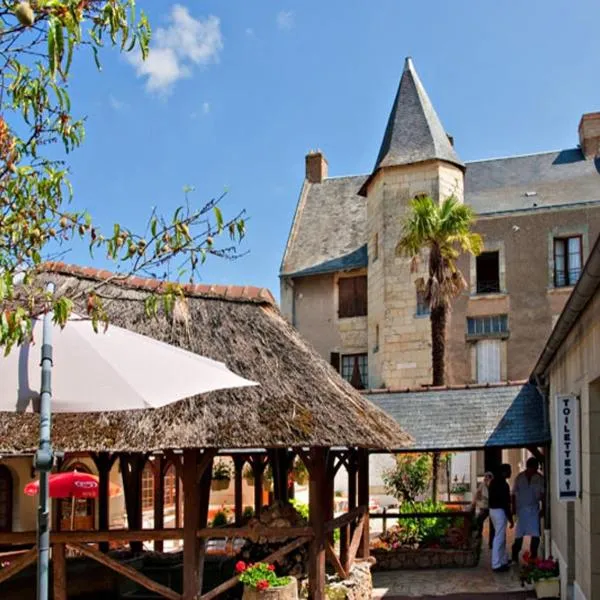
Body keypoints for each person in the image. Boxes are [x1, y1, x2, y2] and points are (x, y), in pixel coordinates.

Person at [512, 457, 545, 563]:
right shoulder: (519, 478)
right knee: (519, 535)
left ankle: (533, 555)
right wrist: (513, 508)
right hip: (521, 510)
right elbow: (513, 494)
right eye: (533, 468)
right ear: (528, 467)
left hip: (533, 509)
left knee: (535, 534)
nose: (535, 470)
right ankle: (514, 554)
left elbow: (543, 495)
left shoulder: (539, 478)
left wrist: (543, 508)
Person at [488, 463, 513, 572]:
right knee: (499, 537)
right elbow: (506, 503)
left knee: (501, 536)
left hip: (492, 511)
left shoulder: (493, 482)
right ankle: (496, 564)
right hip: (500, 512)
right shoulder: (504, 484)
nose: (510, 473)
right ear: (504, 472)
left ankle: (502, 560)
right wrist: (510, 518)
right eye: (509, 471)